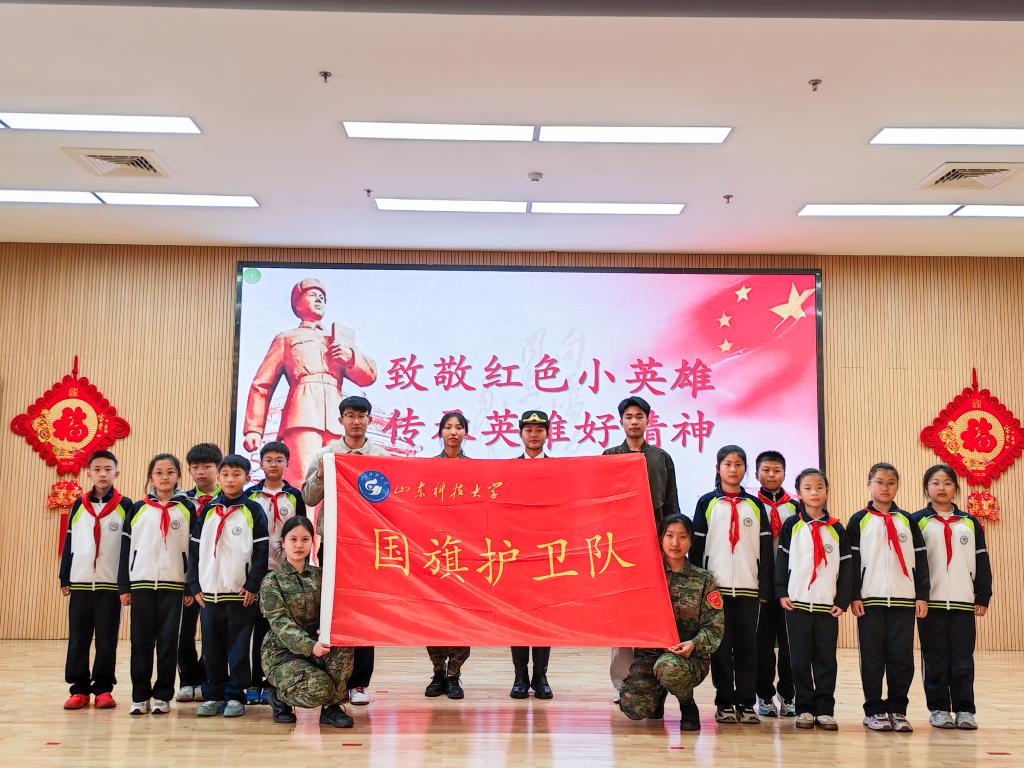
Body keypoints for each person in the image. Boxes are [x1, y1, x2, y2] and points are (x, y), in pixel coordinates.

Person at [243, 278, 378, 488]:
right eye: (312, 295)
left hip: (336, 418)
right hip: (302, 415)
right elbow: (262, 384)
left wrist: (351, 358)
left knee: (339, 481)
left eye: (322, 297)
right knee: (304, 476)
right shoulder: (286, 338)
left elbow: (368, 377)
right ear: (297, 303)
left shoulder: (337, 339)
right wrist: (254, 428)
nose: (319, 299)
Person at [302, 395, 388, 705]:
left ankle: (360, 683)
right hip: (335, 544)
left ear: (370, 420)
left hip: (367, 544)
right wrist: (322, 474)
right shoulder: (326, 454)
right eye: (350, 415)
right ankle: (334, 678)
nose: (356, 421)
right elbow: (309, 498)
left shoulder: (380, 456)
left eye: (361, 416)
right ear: (340, 420)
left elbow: (390, 500)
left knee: (365, 611)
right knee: (333, 610)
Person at [603, 396, 681, 702]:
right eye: (629, 417)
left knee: (652, 616)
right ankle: (622, 685)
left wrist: (672, 548)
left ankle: (650, 681)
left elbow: (672, 505)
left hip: (654, 550)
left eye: (639, 416)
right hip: (620, 550)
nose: (634, 421)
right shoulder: (610, 457)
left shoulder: (661, 459)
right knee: (622, 619)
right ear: (621, 422)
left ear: (648, 420)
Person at [689, 444, 772, 724]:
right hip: (716, 590)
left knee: (748, 647)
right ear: (718, 468)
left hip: (749, 589)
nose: (733, 469)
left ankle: (746, 703)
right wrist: (698, 587)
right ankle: (724, 702)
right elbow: (697, 548)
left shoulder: (755, 506)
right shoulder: (706, 503)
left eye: (738, 464)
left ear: (745, 469)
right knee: (721, 649)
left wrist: (765, 587)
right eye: (727, 464)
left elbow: (765, 550)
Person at [619, 514, 724, 732]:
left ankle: (687, 705)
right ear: (661, 538)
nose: (675, 543)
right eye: (669, 535)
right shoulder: (647, 576)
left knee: (668, 667)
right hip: (650, 655)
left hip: (688, 658)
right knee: (633, 706)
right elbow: (630, 615)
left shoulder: (703, 579)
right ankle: (657, 696)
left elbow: (714, 627)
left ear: (691, 541)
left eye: (682, 537)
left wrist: (693, 644)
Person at [848, 462, 929, 733]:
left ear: (897, 487)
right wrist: (854, 595)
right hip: (870, 601)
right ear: (869, 484)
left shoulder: (908, 521)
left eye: (891, 483)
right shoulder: (859, 520)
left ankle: (897, 709)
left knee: (901, 659)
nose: (885, 487)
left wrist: (922, 595)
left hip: (904, 601)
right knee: (872, 658)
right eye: (880, 482)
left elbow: (921, 560)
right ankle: (873, 710)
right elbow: (851, 562)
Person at [187, 454, 269, 718]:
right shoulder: (208, 510)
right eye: (225, 475)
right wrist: (194, 585)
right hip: (209, 594)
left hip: (240, 594)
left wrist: (253, 584)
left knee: (239, 648)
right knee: (211, 649)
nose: (230, 479)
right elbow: (195, 550)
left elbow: (261, 552)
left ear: (247, 478)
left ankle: (235, 695)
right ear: (219, 478)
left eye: (236, 474)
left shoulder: (253, 510)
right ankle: (214, 694)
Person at [913, 464, 992, 730]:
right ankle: (938, 709)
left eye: (947, 483)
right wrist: (918, 596)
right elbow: (914, 563)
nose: (941, 488)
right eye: (935, 483)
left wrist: (982, 595)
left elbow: (981, 560)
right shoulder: (917, 521)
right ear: (926, 489)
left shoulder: (969, 523)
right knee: (934, 658)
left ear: (956, 489)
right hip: (930, 603)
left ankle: (965, 710)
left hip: (962, 601)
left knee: (962, 659)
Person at [119, 454, 195, 715]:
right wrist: (124, 586)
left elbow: (194, 551)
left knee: (167, 644)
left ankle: (163, 695)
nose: (164, 477)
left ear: (178, 476)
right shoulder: (138, 508)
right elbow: (126, 548)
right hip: (140, 584)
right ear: (151, 476)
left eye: (170, 472)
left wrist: (190, 586)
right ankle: (139, 696)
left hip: (174, 585)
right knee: (140, 643)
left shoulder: (188, 509)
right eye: (159, 472)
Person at [775, 468, 851, 730]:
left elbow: (847, 567)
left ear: (827, 491)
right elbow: (782, 560)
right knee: (799, 660)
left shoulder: (837, 528)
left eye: (819, 487)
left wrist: (842, 600)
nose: (814, 492)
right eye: (808, 488)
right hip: (797, 605)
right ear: (798, 493)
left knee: (826, 660)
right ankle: (804, 708)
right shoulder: (792, 525)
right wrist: (781, 591)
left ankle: (825, 710)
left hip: (827, 608)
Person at [261, 516, 355, 728]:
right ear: (283, 542)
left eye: (305, 539)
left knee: (344, 646)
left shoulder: (322, 577)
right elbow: (280, 624)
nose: (299, 545)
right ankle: (279, 696)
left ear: (313, 542)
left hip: (318, 647)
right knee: (321, 688)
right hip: (282, 655)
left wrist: (329, 629)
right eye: (293, 539)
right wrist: (310, 646)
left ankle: (332, 708)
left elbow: (337, 610)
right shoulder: (272, 581)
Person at [59, 450, 133, 711]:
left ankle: (103, 688)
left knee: (106, 640)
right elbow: (69, 540)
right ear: (89, 473)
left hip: (110, 585)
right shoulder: (79, 505)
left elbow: (128, 548)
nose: (103, 474)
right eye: (97, 469)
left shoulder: (126, 506)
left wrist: (125, 583)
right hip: (80, 582)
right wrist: (65, 575)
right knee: (78, 639)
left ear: (116, 473)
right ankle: (78, 689)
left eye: (108, 469)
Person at [245, 441, 307, 706]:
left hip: (285, 574)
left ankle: (277, 683)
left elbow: (303, 532)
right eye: (268, 459)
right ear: (260, 463)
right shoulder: (250, 495)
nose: (273, 464)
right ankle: (253, 682)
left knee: (280, 629)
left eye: (279, 460)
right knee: (256, 629)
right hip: (257, 572)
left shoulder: (294, 496)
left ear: (287, 463)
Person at [424, 411, 472, 700]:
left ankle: (454, 674)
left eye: (459, 427)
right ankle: (438, 671)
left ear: (466, 433)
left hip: (464, 554)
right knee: (434, 614)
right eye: (448, 427)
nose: (453, 432)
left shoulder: (474, 469)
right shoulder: (429, 468)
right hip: (434, 552)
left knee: (461, 616)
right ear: (440, 432)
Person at [509, 409, 553, 700]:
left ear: (547, 434)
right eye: (528, 430)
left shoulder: (558, 469)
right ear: (521, 434)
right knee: (517, 618)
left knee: (543, 617)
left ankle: (541, 676)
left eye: (539, 430)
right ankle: (520, 676)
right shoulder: (509, 469)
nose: (534, 435)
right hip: (516, 555)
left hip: (547, 554)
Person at [175, 442, 222, 704]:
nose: (201, 472)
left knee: (212, 633)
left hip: (216, 576)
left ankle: (206, 679)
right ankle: (187, 680)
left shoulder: (229, 499)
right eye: (195, 467)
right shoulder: (182, 501)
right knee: (184, 632)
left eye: (207, 466)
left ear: (218, 468)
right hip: (186, 576)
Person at [754, 450, 798, 718]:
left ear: (784, 473)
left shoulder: (795, 506)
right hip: (759, 586)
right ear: (756, 473)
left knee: (789, 644)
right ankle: (764, 694)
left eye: (777, 470)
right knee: (762, 645)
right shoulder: (751, 505)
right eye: (766, 470)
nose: (771, 475)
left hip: (789, 587)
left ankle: (788, 693)